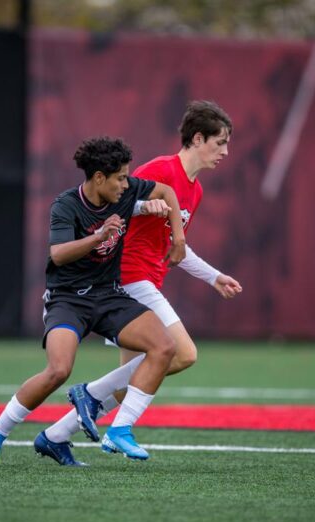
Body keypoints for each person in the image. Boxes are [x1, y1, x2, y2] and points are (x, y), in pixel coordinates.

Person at [34, 100, 243, 465]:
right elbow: (110, 204)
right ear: (197, 138)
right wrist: (147, 207)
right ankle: (112, 424)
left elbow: (175, 248)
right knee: (182, 353)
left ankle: (55, 435)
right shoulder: (161, 170)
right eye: (220, 142)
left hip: (148, 280)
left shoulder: (195, 190)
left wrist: (214, 277)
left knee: (130, 381)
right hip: (127, 277)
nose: (225, 152)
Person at [0, 136, 186, 467]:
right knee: (58, 370)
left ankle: (120, 430)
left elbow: (167, 192)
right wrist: (100, 236)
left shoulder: (127, 190)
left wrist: (179, 240)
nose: (126, 183)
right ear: (99, 177)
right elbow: (58, 255)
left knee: (165, 347)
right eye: (119, 177)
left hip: (109, 294)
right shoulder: (66, 205)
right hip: (68, 299)